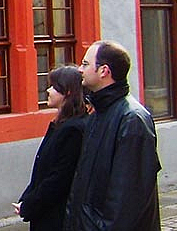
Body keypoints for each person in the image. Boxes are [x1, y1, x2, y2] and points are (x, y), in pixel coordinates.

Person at [64, 40, 161, 231]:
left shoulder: (132, 119)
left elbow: (127, 199)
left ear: (104, 71)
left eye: (85, 64)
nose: (79, 70)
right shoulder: (98, 114)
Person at [14, 65, 88, 231]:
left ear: (67, 92)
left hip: (58, 218)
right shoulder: (61, 125)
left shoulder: (74, 129)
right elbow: (43, 172)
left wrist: (30, 204)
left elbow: (59, 179)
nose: (48, 90)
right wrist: (26, 199)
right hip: (47, 213)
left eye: (54, 87)